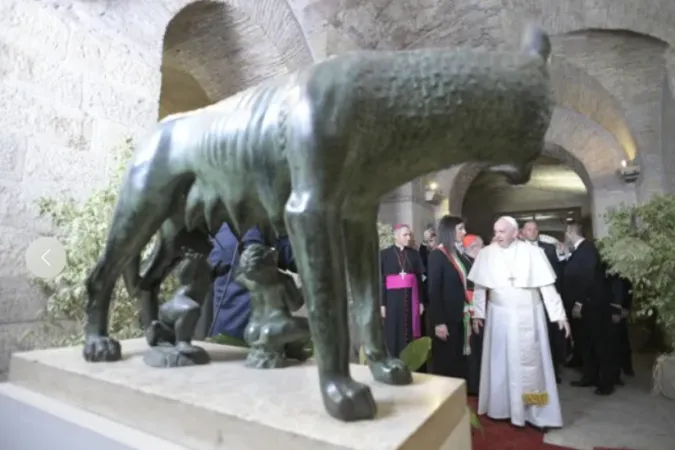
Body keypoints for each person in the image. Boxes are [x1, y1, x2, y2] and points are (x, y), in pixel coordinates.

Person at [468, 216, 570, 429]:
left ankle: (535, 411)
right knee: (501, 364)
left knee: (533, 368)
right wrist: (478, 314)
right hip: (499, 318)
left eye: (502, 231)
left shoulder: (534, 253)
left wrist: (559, 315)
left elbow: (547, 287)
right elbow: (479, 288)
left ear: (516, 233)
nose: (497, 235)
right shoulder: (486, 254)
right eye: (495, 231)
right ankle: (502, 408)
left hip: (529, 316)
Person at [208, 224, 295, 340]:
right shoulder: (260, 229)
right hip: (259, 335)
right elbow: (298, 260)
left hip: (221, 335)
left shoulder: (219, 230)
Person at [562, 221, 615, 395]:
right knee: (585, 344)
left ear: (571, 232)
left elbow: (588, 278)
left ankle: (606, 383)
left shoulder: (587, 249)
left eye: (566, 232)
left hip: (591, 306)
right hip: (583, 307)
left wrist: (579, 302)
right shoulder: (579, 250)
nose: (565, 236)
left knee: (599, 345)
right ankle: (590, 376)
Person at [427, 216, 473, 384]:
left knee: (459, 362)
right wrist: (439, 322)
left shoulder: (457, 254)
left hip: (460, 316)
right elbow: (434, 291)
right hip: (446, 319)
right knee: (447, 362)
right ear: (449, 231)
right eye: (460, 228)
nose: (464, 232)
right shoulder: (437, 256)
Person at [521, 220, 565, 383]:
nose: (532, 232)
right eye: (529, 229)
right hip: (526, 301)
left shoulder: (549, 248)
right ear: (522, 232)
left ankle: (553, 371)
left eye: (535, 229)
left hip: (548, 298)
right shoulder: (517, 250)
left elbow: (557, 274)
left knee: (550, 334)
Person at [380, 224, 427, 358]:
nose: (408, 237)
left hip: (411, 299)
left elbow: (419, 279)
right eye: (405, 235)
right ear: (396, 236)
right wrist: (382, 303)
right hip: (392, 300)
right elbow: (381, 281)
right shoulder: (384, 254)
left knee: (410, 330)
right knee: (393, 331)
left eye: (409, 235)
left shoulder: (414, 254)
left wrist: (421, 301)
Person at [461, 233, 485, 395]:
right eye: (481, 246)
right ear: (473, 247)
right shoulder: (463, 262)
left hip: (479, 307)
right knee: (471, 347)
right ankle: (473, 385)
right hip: (469, 310)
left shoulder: (477, 261)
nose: (483, 249)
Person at [608, 273, 634, 384]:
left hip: (616, 310)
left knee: (617, 342)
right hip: (617, 309)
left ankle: (618, 372)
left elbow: (624, 290)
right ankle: (623, 369)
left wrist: (623, 309)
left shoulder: (618, 275)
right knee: (620, 341)